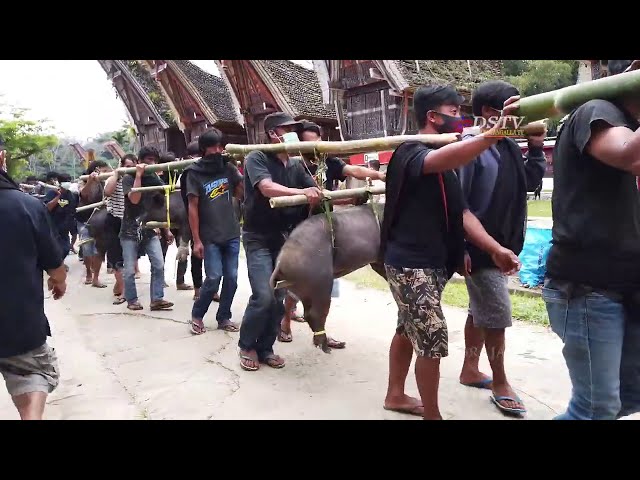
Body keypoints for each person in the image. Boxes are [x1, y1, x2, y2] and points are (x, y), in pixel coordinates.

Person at [380, 85, 519, 420]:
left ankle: (395, 395)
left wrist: (495, 248)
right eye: (455, 112)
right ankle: (433, 415)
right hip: (409, 263)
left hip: (433, 263)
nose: (460, 119)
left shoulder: (445, 160)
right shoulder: (411, 151)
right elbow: (442, 158)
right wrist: (494, 132)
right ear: (432, 117)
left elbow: (462, 213)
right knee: (430, 335)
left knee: (407, 327)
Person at [542, 59, 640, 420]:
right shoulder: (596, 109)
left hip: (626, 284)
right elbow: (630, 154)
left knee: (629, 397)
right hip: (587, 288)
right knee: (596, 407)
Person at [456, 80, 547, 416]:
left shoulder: (507, 144)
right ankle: (500, 381)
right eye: (516, 109)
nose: (524, 117)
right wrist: (462, 247)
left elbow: (530, 183)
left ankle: (469, 368)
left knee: (478, 310)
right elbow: (457, 206)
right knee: (497, 313)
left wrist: (536, 148)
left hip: (503, 245)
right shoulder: (470, 144)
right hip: (480, 247)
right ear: (490, 113)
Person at [278, 120, 386, 348]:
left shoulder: (327, 162)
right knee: (301, 283)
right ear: (300, 144)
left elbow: (353, 170)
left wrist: (378, 176)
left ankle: (320, 331)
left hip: (330, 230)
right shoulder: (295, 165)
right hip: (304, 230)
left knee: (325, 285)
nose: (315, 146)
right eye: (310, 142)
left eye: (318, 141)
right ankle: (285, 320)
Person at [238, 112, 323, 371]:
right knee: (264, 295)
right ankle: (246, 345)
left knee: (279, 297)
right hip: (257, 237)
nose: (293, 134)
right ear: (273, 133)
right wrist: (302, 192)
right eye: (288, 129)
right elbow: (267, 188)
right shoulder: (257, 157)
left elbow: (317, 191)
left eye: (295, 130)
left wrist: (345, 198)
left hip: (284, 239)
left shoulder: (296, 165)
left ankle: (265, 347)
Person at [0, 166, 66, 420]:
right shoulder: (26, 205)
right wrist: (58, 281)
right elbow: (54, 263)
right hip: (19, 323)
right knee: (32, 374)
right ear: (2, 157)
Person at [186, 129, 244, 335]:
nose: (218, 150)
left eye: (221, 146)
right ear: (204, 149)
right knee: (213, 278)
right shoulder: (193, 172)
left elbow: (240, 193)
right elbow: (192, 207)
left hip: (231, 233)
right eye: (214, 146)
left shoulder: (227, 167)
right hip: (209, 236)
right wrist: (196, 240)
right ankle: (197, 314)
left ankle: (223, 316)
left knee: (232, 278)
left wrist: (238, 170)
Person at [120, 146, 174, 311]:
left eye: (154, 160)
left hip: (149, 229)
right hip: (129, 230)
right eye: (148, 160)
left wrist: (166, 229)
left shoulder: (155, 179)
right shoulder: (128, 178)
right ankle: (132, 300)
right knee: (129, 269)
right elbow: (135, 199)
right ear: (139, 161)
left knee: (158, 264)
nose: (152, 163)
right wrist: (138, 175)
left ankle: (157, 299)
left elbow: (162, 203)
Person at [104, 153, 137, 305]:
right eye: (126, 166)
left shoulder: (137, 179)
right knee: (117, 257)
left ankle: (123, 288)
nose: (128, 169)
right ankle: (123, 291)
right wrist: (117, 174)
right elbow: (107, 192)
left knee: (128, 258)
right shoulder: (114, 178)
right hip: (115, 220)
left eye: (132, 166)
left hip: (131, 221)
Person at [77, 160, 112, 288]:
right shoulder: (83, 180)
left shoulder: (107, 182)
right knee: (87, 249)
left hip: (101, 220)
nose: (105, 173)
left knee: (99, 250)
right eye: (103, 171)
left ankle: (95, 278)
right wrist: (91, 181)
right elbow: (84, 194)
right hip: (84, 220)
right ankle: (88, 273)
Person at [182, 141, 206, 300]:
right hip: (194, 218)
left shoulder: (209, 169)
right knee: (196, 254)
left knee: (212, 257)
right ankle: (198, 289)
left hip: (211, 218)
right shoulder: (187, 172)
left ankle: (212, 289)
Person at [43, 172, 77, 268]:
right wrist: (58, 196)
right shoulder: (52, 193)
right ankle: (58, 266)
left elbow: (72, 210)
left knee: (66, 248)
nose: (68, 183)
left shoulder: (71, 195)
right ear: (60, 182)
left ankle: (59, 264)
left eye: (69, 181)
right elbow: (47, 207)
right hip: (53, 226)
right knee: (56, 248)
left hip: (65, 227)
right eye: (65, 181)